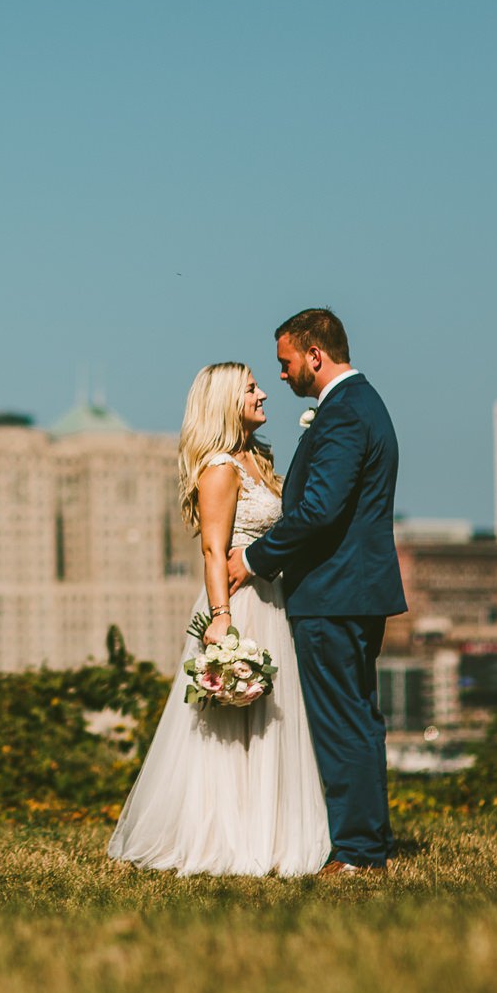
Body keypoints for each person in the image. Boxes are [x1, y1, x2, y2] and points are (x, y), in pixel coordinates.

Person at [105, 362, 330, 877]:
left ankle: (274, 832)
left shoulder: (259, 459)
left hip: (272, 596)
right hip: (239, 603)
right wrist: (222, 618)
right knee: (231, 722)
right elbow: (213, 548)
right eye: (251, 388)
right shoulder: (221, 467)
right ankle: (228, 835)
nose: (264, 394)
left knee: (271, 718)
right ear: (227, 401)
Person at [227, 308, 406, 876]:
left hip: (335, 592)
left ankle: (357, 853)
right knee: (357, 717)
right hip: (354, 589)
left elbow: (319, 511)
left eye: (285, 363)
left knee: (341, 721)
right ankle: (367, 841)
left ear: (314, 355)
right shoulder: (360, 406)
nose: (280, 376)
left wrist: (255, 558)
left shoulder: (345, 415)